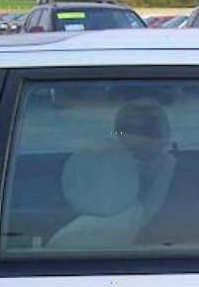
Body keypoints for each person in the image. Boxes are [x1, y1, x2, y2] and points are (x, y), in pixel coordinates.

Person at [48, 98, 175, 250]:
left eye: (143, 153)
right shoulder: (129, 215)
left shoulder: (73, 238)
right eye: (132, 152)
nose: (135, 162)